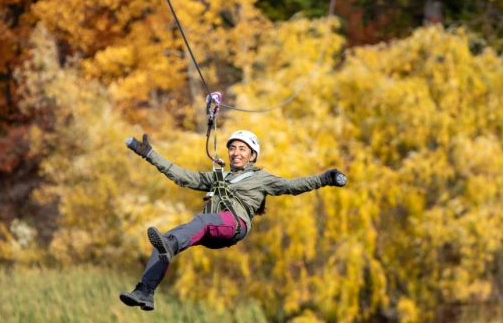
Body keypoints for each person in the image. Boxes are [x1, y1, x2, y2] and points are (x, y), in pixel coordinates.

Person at [119, 130, 347, 311]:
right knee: (166, 239)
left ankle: (171, 246)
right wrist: (149, 154)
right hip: (211, 229)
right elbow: (181, 176)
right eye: (232, 148)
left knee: (198, 223)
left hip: (234, 225)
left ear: (252, 155)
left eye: (242, 148)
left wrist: (326, 178)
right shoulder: (218, 177)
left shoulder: (261, 178)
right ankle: (145, 292)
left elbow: (292, 186)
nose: (236, 152)